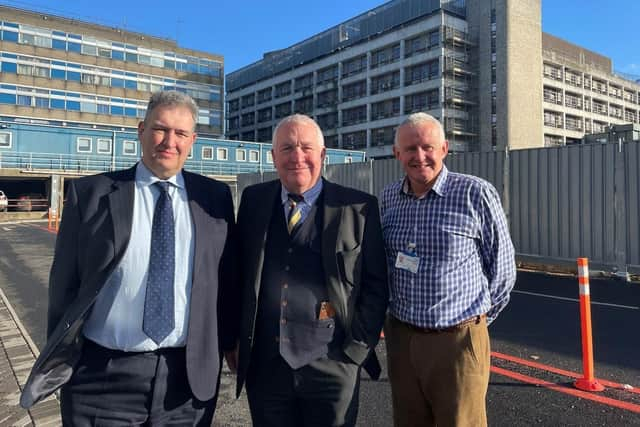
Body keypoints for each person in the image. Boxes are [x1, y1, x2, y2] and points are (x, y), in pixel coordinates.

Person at [20, 91, 237, 426]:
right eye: (160, 129)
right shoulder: (90, 194)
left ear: (192, 140)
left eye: (180, 134)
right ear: (141, 130)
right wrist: (62, 359)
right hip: (101, 380)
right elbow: (63, 287)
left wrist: (230, 344)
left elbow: (225, 281)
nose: (169, 141)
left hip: (186, 384)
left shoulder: (215, 199)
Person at [228, 114, 388, 427]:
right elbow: (237, 273)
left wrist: (356, 350)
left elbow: (376, 284)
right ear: (273, 157)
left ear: (323, 154)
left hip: (333, 363)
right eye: (286, 148)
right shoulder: (253, 201)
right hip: (266, 367)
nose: (297, 157)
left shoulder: (358, 207)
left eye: (306, 147)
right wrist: (234, 339)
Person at [381, 113, 516, 427]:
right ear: (396, 153)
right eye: (410, 149)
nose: (419, 156)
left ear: (444, 148)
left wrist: (474, 324)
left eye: (427, 147)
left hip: (456, 340)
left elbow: (503, 271)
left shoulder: (475, 193)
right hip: (402, 339)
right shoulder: (389, 197)